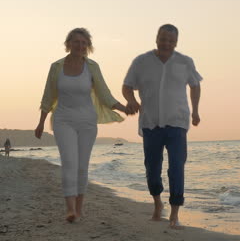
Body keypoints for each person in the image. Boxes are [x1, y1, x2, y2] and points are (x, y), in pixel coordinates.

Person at [35, 28, 126, 223]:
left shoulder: (92, 66)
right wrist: (41, 122)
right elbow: (48, 96)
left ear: (88, 46)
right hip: (63, 120)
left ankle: (79, 208)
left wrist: (123, 108)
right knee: (69, 162)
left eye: (84, 42)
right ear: (69, 44)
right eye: (76, 42)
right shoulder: (57, 67)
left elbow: (104, 93)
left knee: (82, 166)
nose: (81, 46)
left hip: (87, 122)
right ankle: (70, 209)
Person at [123, 24, 202, 229]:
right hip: (150, 123)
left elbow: (195, 85)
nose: (166, 43)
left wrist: (195, 111)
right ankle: (158, 204)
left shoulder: (185, 62)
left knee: (176, 166)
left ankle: (175, 212)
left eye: (171, 40)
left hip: (177, 122)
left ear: (176, 42)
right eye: (163, 39)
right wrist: (131, 100)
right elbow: (127, 86)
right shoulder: (141, 62)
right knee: (152, 167)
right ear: (157, 38)